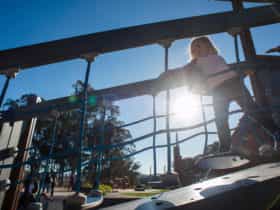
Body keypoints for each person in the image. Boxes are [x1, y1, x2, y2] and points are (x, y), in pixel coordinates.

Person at [159, 36, 260, 152]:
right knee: (221, 120)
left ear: (209, 46)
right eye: (193, 49)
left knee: (253, 110)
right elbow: (182, 71)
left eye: (198, 46)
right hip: (219, 90)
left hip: (235, 84)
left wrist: (244, 72)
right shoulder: (195, 62)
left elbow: (229, 72)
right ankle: (225, 148)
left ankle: (274, 132)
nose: (195, 50)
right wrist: (168, 73)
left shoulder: (218, 57)